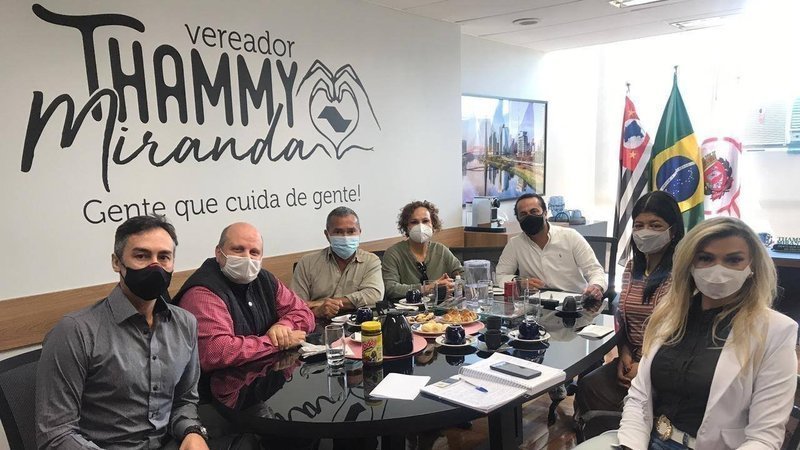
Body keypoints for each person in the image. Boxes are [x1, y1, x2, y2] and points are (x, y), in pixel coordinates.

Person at [615, 217, 798, 449]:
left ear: (752, 266)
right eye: (705, 258)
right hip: (649, 440)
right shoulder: (670, 315)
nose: (718, 269)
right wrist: (630, 446)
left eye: (733, 260)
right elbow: (639, 397)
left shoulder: (777, 331)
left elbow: (764, 438)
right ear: (690, 264)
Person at [35, 215, 209, 449]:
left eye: (163, 257)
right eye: (141, 256)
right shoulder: (76, 331)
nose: (155, 266)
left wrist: (191, 431)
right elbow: (56, 433)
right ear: (117, 262)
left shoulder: (185, 323)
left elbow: (184, 400)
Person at [574, 191, 685, 438]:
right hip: (632, 357)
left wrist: (644, 367)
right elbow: (625, 320)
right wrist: (624, 354)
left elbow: (678, 335)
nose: (645, 232)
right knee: (589, 384)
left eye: (655, 225)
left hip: (665, 365)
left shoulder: (683, 272)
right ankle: (604, 437)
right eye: (639, 225)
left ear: (673, 230)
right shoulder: (633, 267)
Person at [174, 222, 315, 372]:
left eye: (254, 252)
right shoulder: (203, 293)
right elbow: (217, 352)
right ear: (218, 252)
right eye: (238, 249)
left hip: (263, 374)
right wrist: (275, 342)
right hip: (219, 383)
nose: (247, 258)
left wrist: (284, 326)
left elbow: (304, 312)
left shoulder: (265, 279)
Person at [496, 193, 607, 299]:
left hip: (573, 302)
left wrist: (596, 286)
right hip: (536, 303)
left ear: (545, 213)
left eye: (534, 211)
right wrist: (519, 282)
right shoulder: (515, 244)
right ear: (518, 219)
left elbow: (594, 270)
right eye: (523, 214)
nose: (529, 217)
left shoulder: (570, 236)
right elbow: (500, 276)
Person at [292, 206, 384, 319]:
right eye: (338, 232)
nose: (345, 237)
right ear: (327, 235)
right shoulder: (307, 263)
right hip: (318, 323)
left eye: (351, 231)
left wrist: (324, 302)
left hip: (358, 322)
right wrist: (318, 311)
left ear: (359, 232)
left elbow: (374, 295)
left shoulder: (371, 261)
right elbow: (296, 305)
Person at [381, 200, 463, 300]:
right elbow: (391, 289)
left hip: (441, 307)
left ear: (433, 224)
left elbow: (464, 277)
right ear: (406, 227)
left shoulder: (441, 250)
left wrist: (450, 285)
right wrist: (428, 288)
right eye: (414, 222)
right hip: (407, 308)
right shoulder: (393, 253)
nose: (420, 227)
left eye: (425, 221)